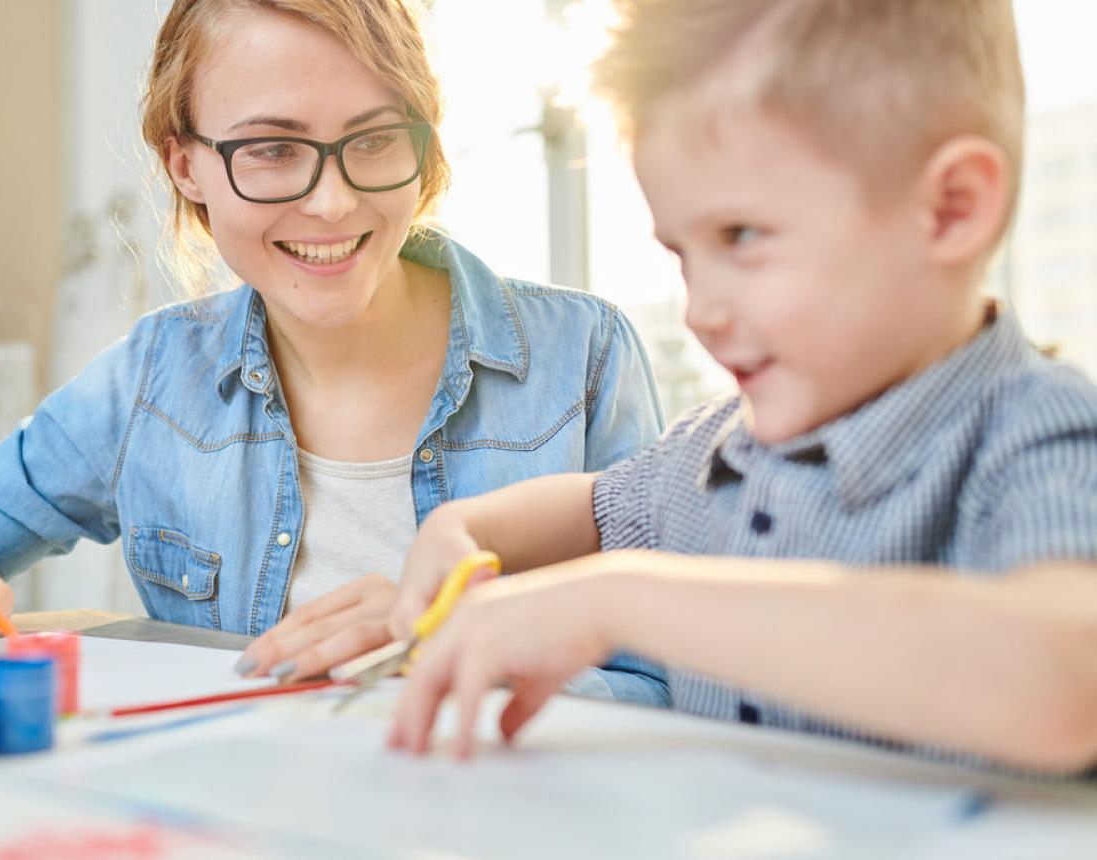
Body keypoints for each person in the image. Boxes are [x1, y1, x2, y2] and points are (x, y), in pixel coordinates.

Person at [0, 0, 667, 704]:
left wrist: (460, 650)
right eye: (271, 150)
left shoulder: (582, 357)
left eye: (373, 139)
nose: (332, 202)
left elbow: (674, 682)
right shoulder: (151, 381)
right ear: (184, 164)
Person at [384, 0, 1097, 776]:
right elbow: (589, 507)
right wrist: (460, 530)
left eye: (743, 238)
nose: (701, 311)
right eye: (684, 255)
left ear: (950, 208)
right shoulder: (719, 445)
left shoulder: (1036, 428)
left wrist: (618, 599)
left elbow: (1062, 682)